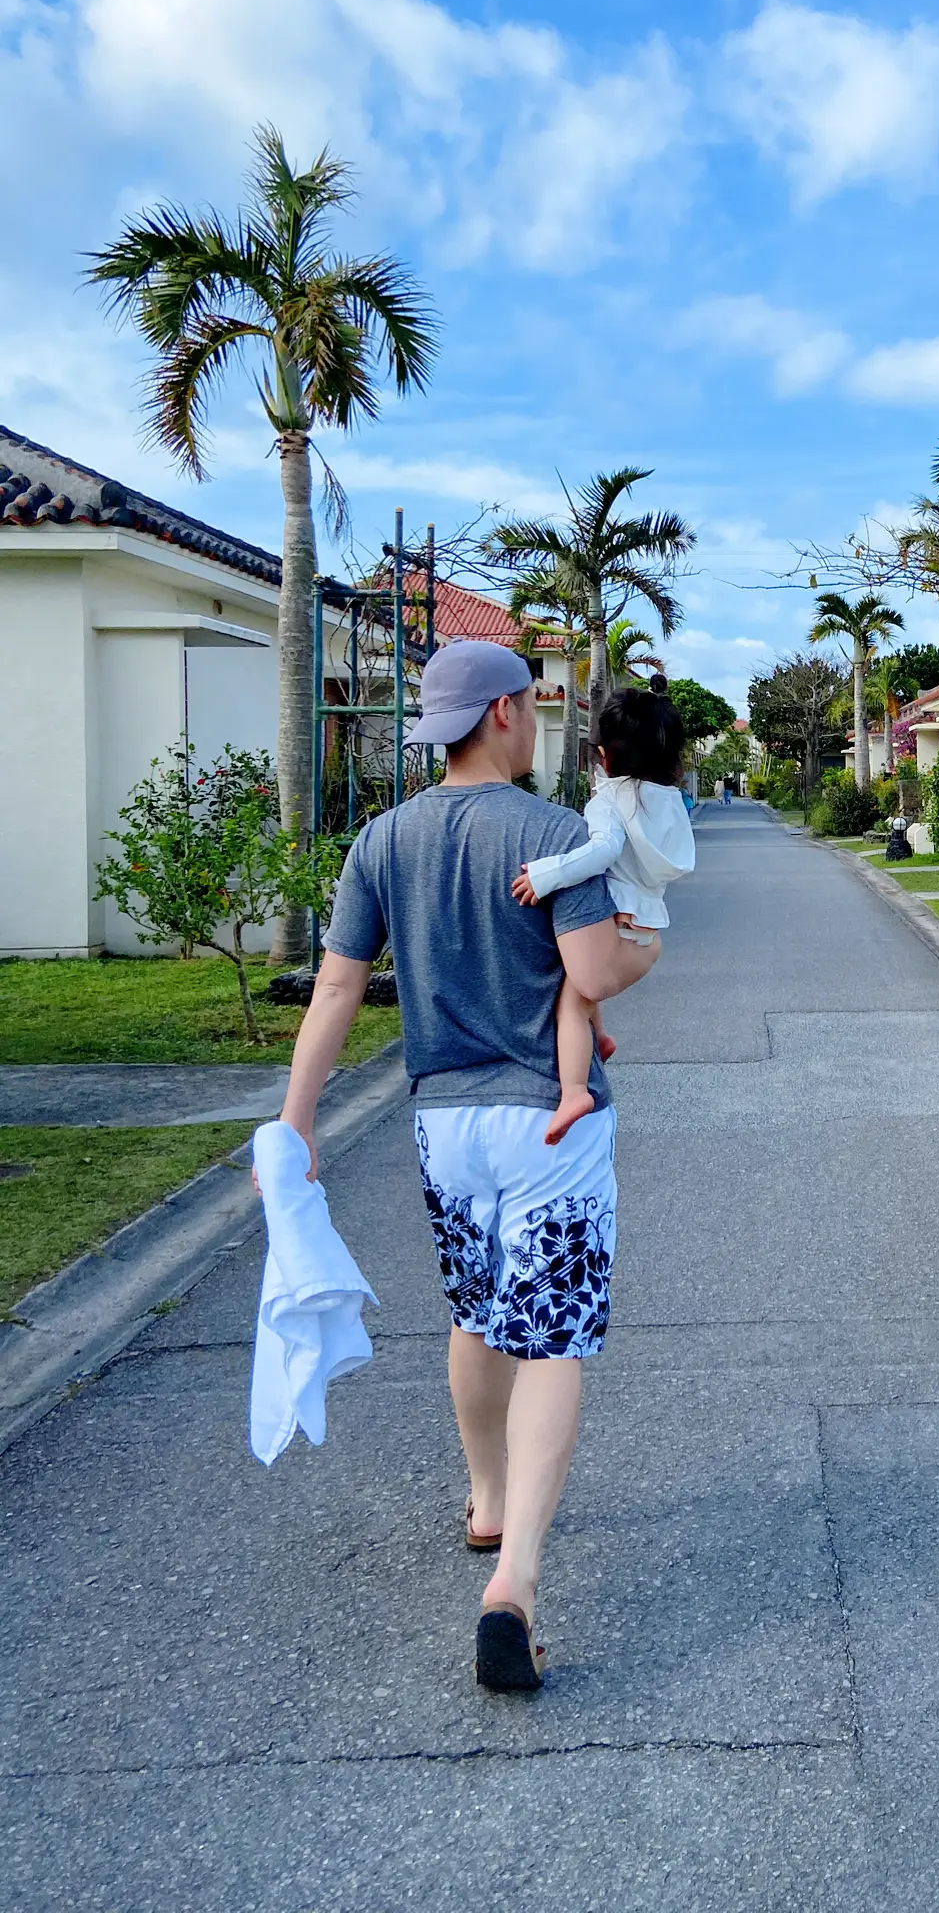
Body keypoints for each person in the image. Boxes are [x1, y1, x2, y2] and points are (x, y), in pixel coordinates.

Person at [275, 640, 660, 1693]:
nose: (537, 720)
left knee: (478, 1309)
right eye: (529, 704)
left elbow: (340, 989)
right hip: (550, 1120)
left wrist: (298, 1120)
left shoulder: (382, 841)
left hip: (444, 1121)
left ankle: (486, 1499)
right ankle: (517, 1585)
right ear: (498, 713)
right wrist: (644, 948)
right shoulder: (551, 832)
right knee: (554, 1335)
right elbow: (592, 970)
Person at [509, 688, 695, 1146]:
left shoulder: (608, 799)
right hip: (646, 919)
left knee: (571, 998)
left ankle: (573, 1092)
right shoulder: (667, 800)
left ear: (603, 757)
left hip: (616, 913)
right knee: (585, 977)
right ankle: (602, 1034)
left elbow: (603, 850)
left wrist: (546, 874)